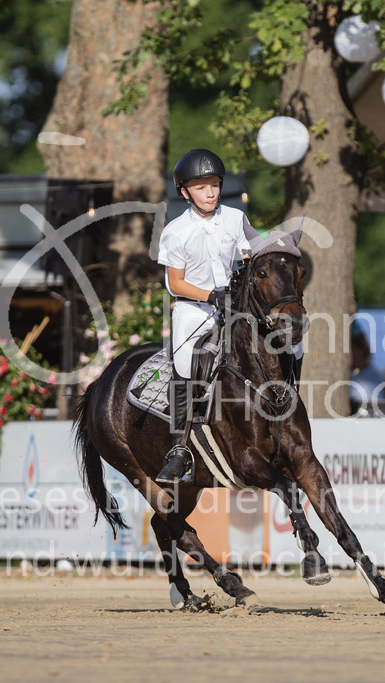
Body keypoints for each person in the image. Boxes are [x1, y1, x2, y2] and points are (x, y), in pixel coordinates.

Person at [155, 148, 253, 484]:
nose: (210, 193)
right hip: (194, 310)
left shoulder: (235, 219)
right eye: (200, 187)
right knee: (185, 363)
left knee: (285, 345)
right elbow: (175, 282)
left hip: (234, 308)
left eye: (213, 185)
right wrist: (212, 295)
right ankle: (180, 449)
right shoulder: (175, 231)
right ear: (185, 192)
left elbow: (250, 258)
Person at [349, 330, 385, 415]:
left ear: (361, 351)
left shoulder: (383, 374)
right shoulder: (346, 376)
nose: (349, 355)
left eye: (352, 350)